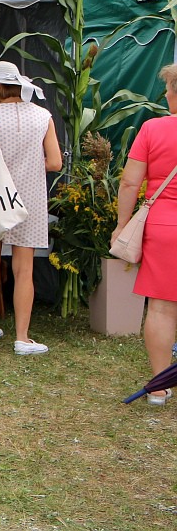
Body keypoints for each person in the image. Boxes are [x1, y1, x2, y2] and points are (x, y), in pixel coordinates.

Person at [0, 60, 61, 355]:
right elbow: (55, 162)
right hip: (30, 198)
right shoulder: (44, 116)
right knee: (24, 268)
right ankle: (22, 337)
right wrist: (31, 166)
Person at [112, 63, 177, 406]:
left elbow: (130, 182)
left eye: (168, 89)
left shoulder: (153, 129)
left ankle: (160, 387)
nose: (165, 95)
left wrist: (122, 224)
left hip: (165, 227)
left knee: (163, 309)